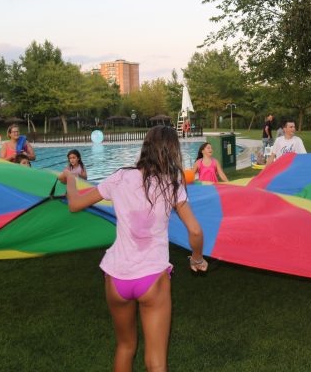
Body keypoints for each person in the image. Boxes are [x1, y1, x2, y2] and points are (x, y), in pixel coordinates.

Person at [59, 126, 207, 370]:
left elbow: (74, 204)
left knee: (125, 347)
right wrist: (197, 259)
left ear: (145, 147)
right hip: (152, 278)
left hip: (116, 276)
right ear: (173, 151)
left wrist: (71, 178)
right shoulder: (172, 185)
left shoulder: (120, 177)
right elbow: (195, 231)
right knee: (156, 361)